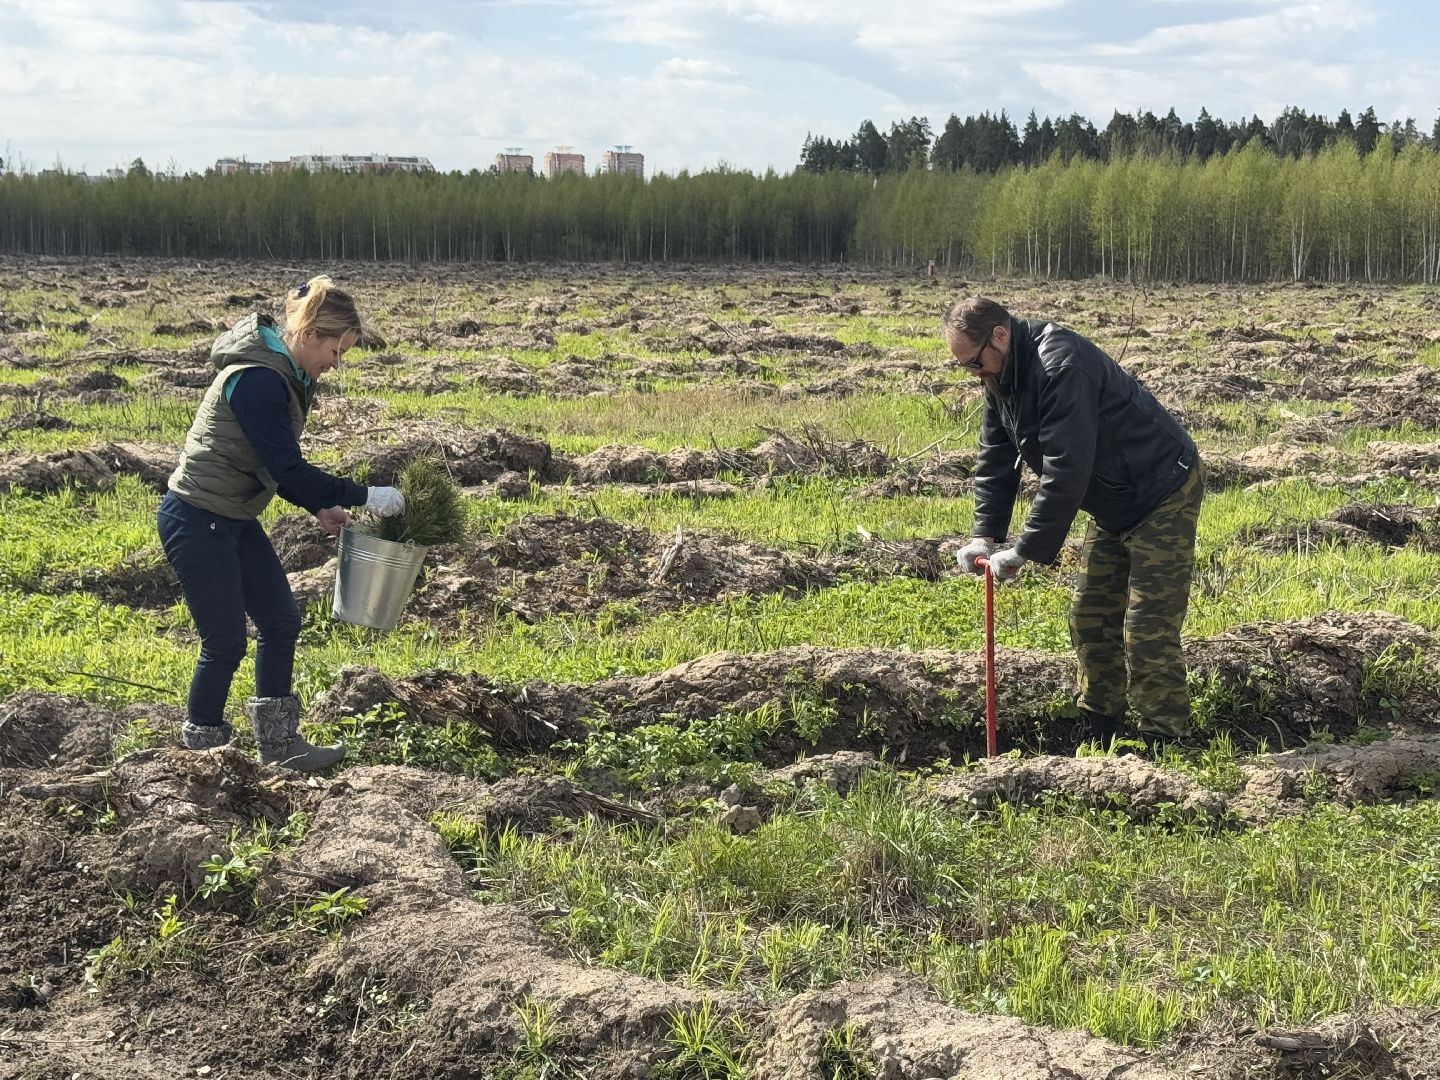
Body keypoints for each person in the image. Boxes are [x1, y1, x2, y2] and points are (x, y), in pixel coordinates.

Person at [158, 275, 406, 772]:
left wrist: (319, 507)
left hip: (230, 516)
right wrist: (364, 494)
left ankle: (278, 745)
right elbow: (288, 467)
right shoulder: (258, 379)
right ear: (311, 333)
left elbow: (274, 466)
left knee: (281, 620)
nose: (336, 364)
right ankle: (202, 758)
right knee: (225, 640)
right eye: (336, 351)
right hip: (198, 516)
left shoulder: (283, 375)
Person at [945, 296, 1203, 751]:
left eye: (974, 362)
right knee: (1090, 616)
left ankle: (1167, 740)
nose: (975, 374)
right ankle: (1101, 726)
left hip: (1161, 487)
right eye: (966, 367)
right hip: (1111, 498)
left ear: (1000, 336)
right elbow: (995, 459)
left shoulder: (1062, 366)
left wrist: (1026, 549)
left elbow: (1067, 469)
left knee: (1146, 626)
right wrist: (984, 534)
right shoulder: (1001, 377)